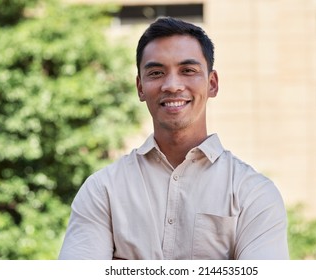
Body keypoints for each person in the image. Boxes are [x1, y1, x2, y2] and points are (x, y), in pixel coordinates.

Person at [58, 17, 289, 260]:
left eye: (188, 71)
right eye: (156, 73)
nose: (172, 85)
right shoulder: (103, 191)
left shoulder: (252, 193)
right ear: (140, 87)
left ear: (212, 84)